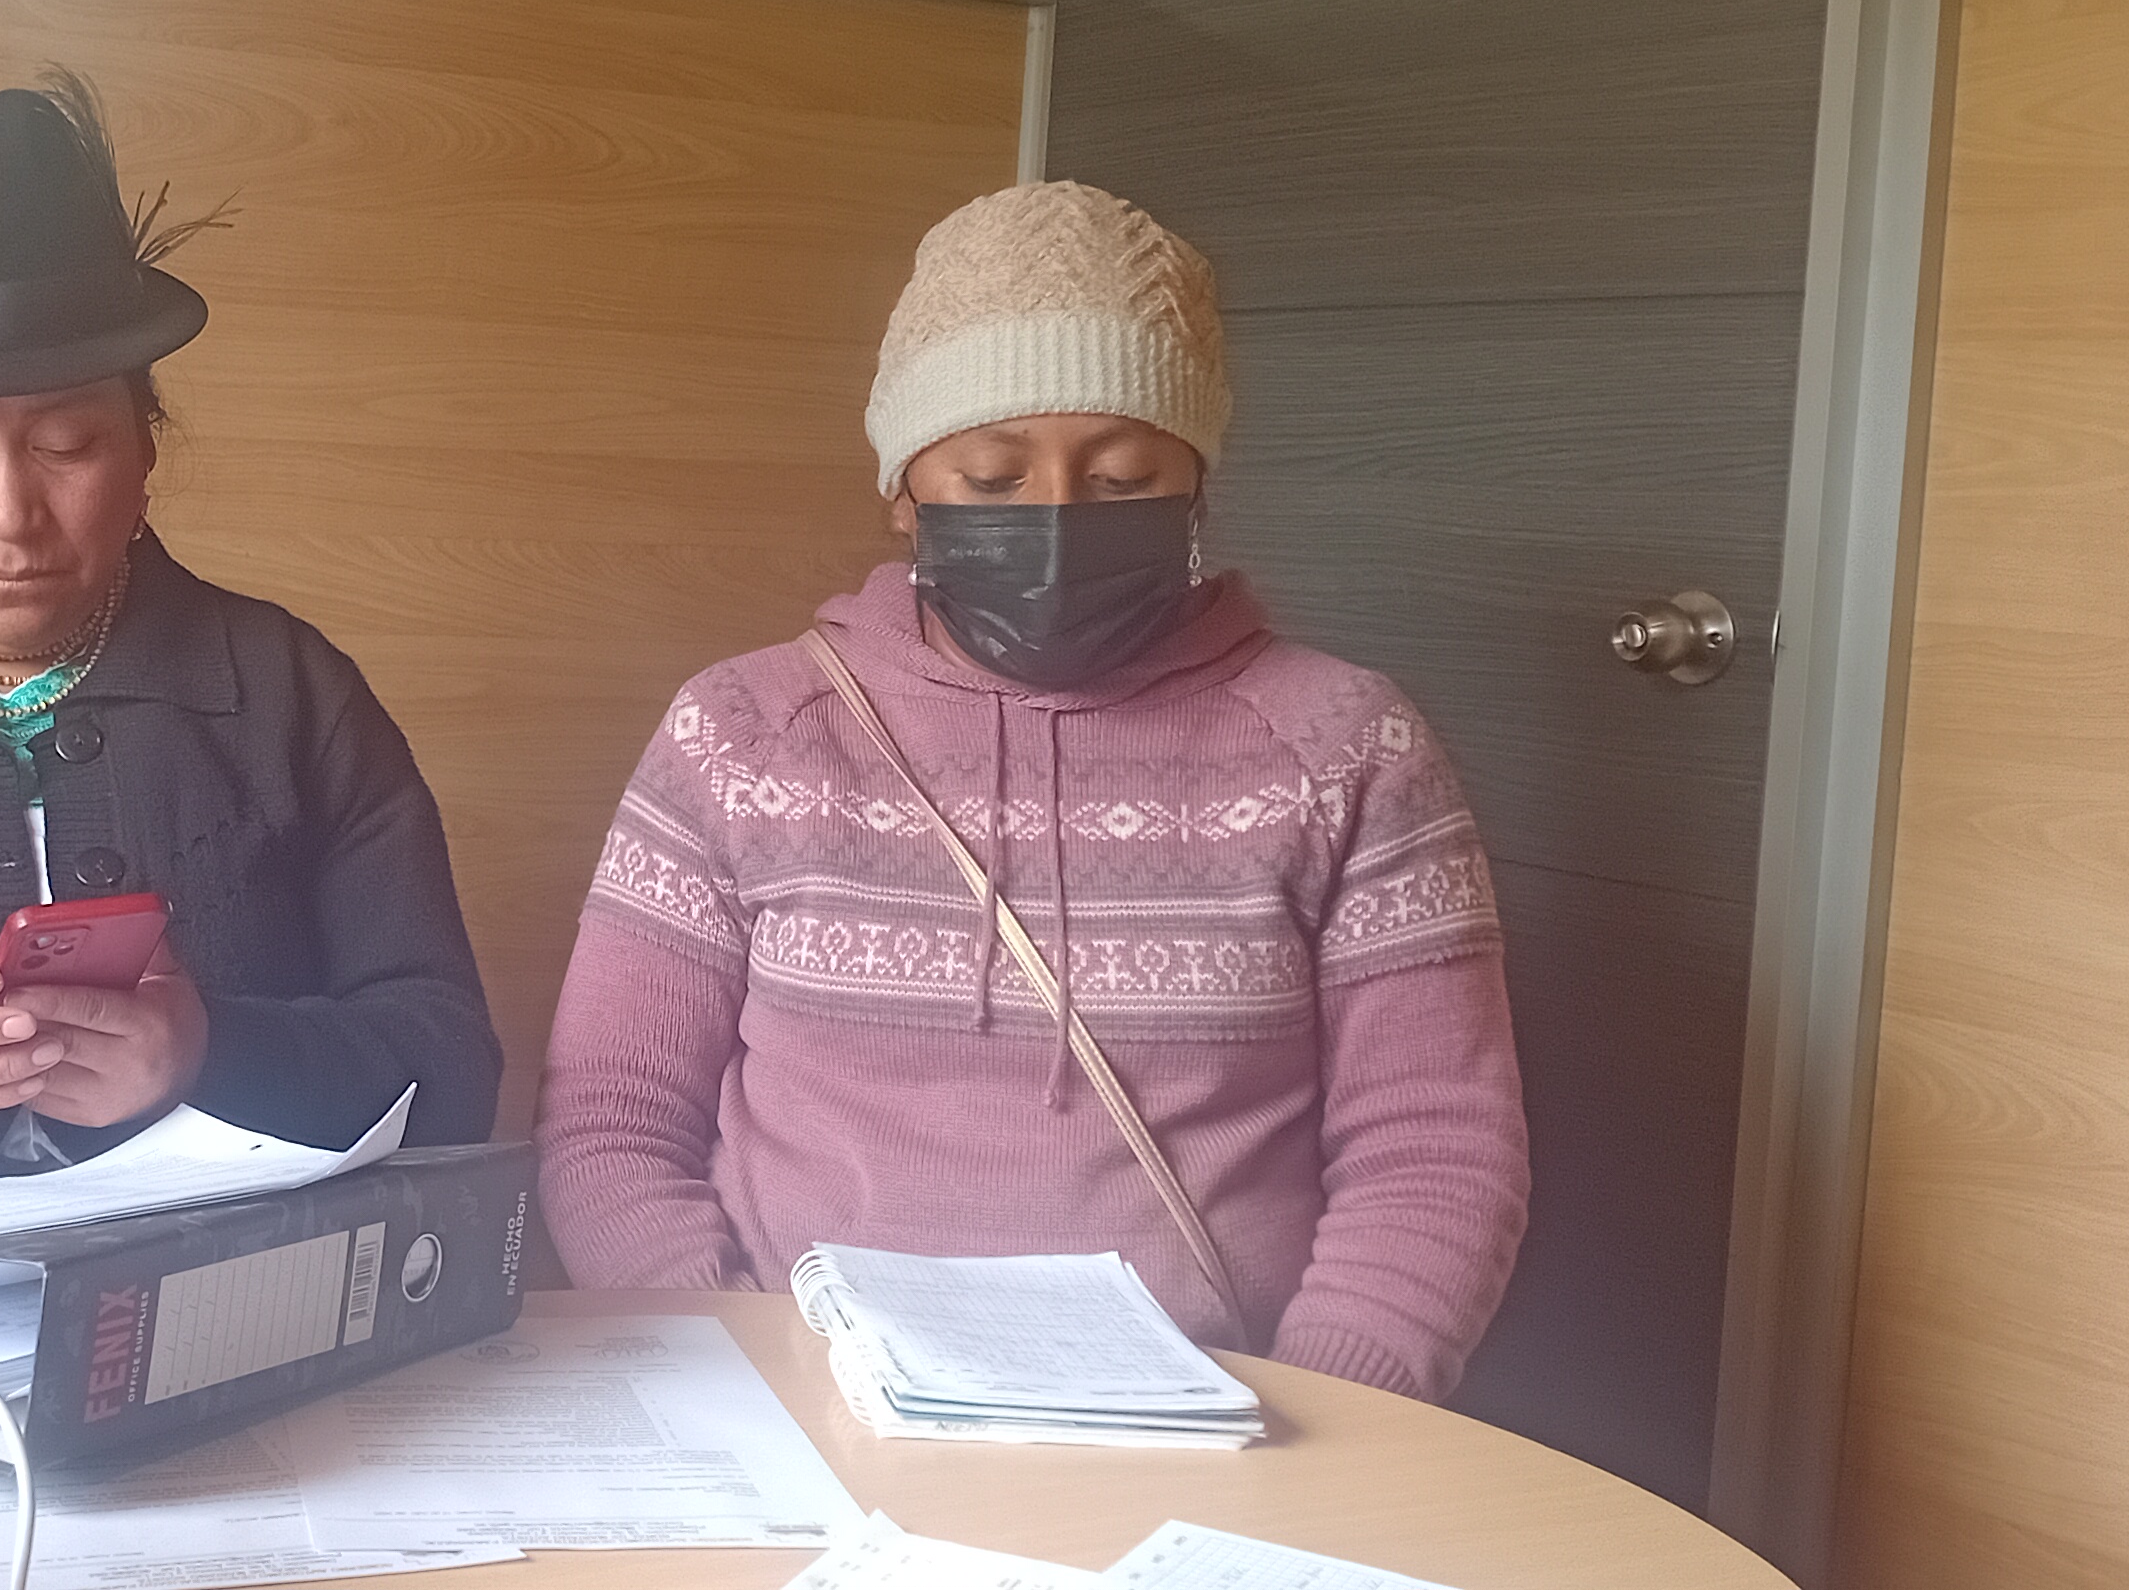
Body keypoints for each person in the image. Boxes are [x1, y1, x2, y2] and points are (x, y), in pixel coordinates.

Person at [535, 181, 1527, 1402]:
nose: (1056, 518)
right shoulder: (742, 734)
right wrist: (743, 1386)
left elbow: (1434, 1153)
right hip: (804, 1410)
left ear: (1196, 485)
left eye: (1121, 478)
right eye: (994, 479)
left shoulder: (1345, 746)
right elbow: (614, 1120)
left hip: (1224, 1424)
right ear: (904, 490)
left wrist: (1322, 1425)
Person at [0, 76, 499, 1201]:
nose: (9, 513)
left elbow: (452, 1069)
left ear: (146, 445)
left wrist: (207, 1052)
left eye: (67, 444)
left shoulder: (287, 695)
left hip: (217, 1293)